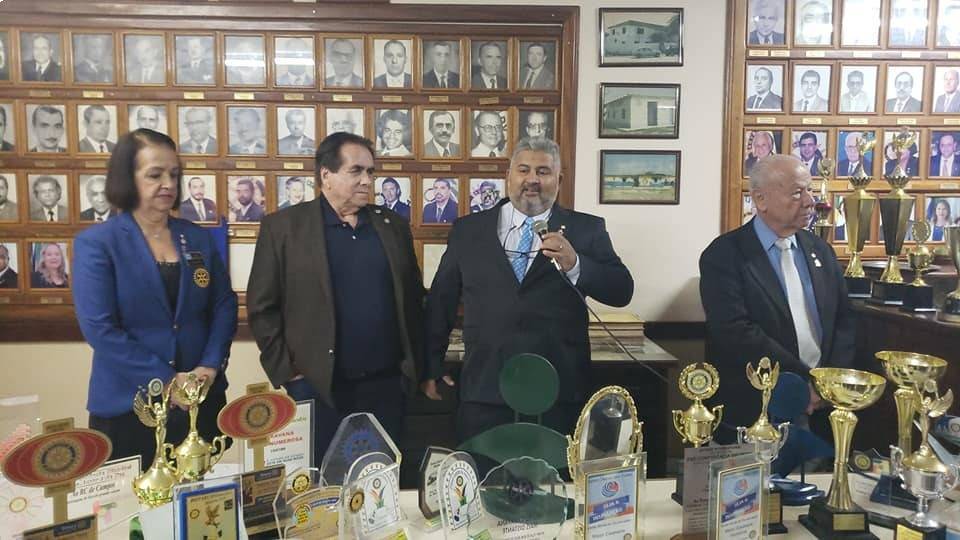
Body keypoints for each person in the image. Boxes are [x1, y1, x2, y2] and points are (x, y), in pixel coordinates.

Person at [424, 137, 634, 441]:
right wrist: (432, 363)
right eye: (523, 170)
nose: (532, 179)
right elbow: (441, 301)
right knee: (483, 471)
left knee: (556, 472)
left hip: (559, 391)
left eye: (543, 171)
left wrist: (576, 263)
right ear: (508, 176)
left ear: (559, 180)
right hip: (485, 389)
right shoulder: (469, 230)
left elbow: (621, 290)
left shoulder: (587, 230)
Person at [247, 131, 425, 464]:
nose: (367, 180)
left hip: (386, 388)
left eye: (370, 172)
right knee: (321, 483)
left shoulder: (392, 226)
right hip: (318, 388)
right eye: (356, 171)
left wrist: (411, 369)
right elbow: (262, 307)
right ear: (325, 175)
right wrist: (288, 373)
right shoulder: (284, 228)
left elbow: (414, 298)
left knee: (380, 480)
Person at [73, 128, 237, 465]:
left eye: (174, 174)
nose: (168, 184)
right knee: (136, 499)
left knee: (205, 496)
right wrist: (165, 380)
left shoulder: (197, 238)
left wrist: (209, 366)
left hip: (199, 399)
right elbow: (100, 329)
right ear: (127, 179)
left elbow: (223, 304)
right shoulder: (98, 244)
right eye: (155, 175)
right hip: (129, 406)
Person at [699, 154, 855, 444]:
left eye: (809, 190)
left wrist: (827, 384)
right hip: (757, 406)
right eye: (797, 192)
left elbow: (844, 321)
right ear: (761, 199)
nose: (809, 201)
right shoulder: (724, 255)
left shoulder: (820, 250)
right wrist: (801, 384)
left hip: (824, 407)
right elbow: (735, 331)